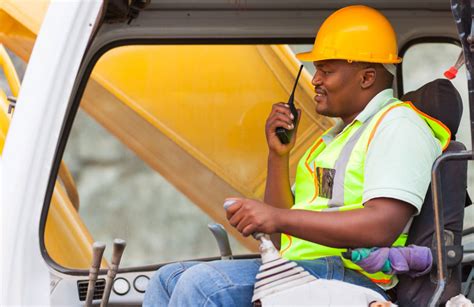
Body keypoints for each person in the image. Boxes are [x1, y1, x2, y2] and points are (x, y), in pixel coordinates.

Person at [143, 5, 450, 306]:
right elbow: (279, 238)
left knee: (203, 285)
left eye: (326, 71)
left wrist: (276, 217)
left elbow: (382, 225)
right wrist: (278, 157)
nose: (315, 80)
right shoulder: (336, 139)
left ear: (366, 78)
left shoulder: (398, 125)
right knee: (166, 278)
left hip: (353, 276)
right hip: (309, 269)